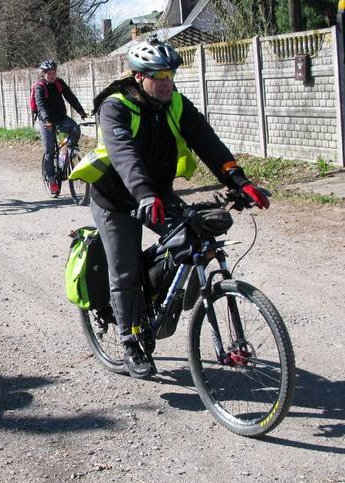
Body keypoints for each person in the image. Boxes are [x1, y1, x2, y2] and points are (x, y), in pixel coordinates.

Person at [75, 36, 270, 379]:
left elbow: (207, 141)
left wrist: (239, 181)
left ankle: (151, 298)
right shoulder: (115, 106)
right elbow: (124, 155)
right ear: (139, 76)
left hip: (156, 193)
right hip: (116, 198)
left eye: (170, 76)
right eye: (159, 76)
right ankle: (130, 340)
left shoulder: (176, 103)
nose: (167, 84)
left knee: (195, 241)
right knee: (124, 269)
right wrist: (145, 194)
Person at [35, 60, 87, 196]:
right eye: (49, 73)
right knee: (49, 150)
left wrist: (81, 111)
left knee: (75, 128)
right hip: (46, 121)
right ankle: (52, 180)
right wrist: (46, 119)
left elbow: (70, 97)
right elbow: (40, 105)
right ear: (44, 74)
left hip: (61, 118)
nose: (52, 75)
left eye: (54, 72)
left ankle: (68, 152)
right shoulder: (39, 87)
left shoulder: (59, 83)